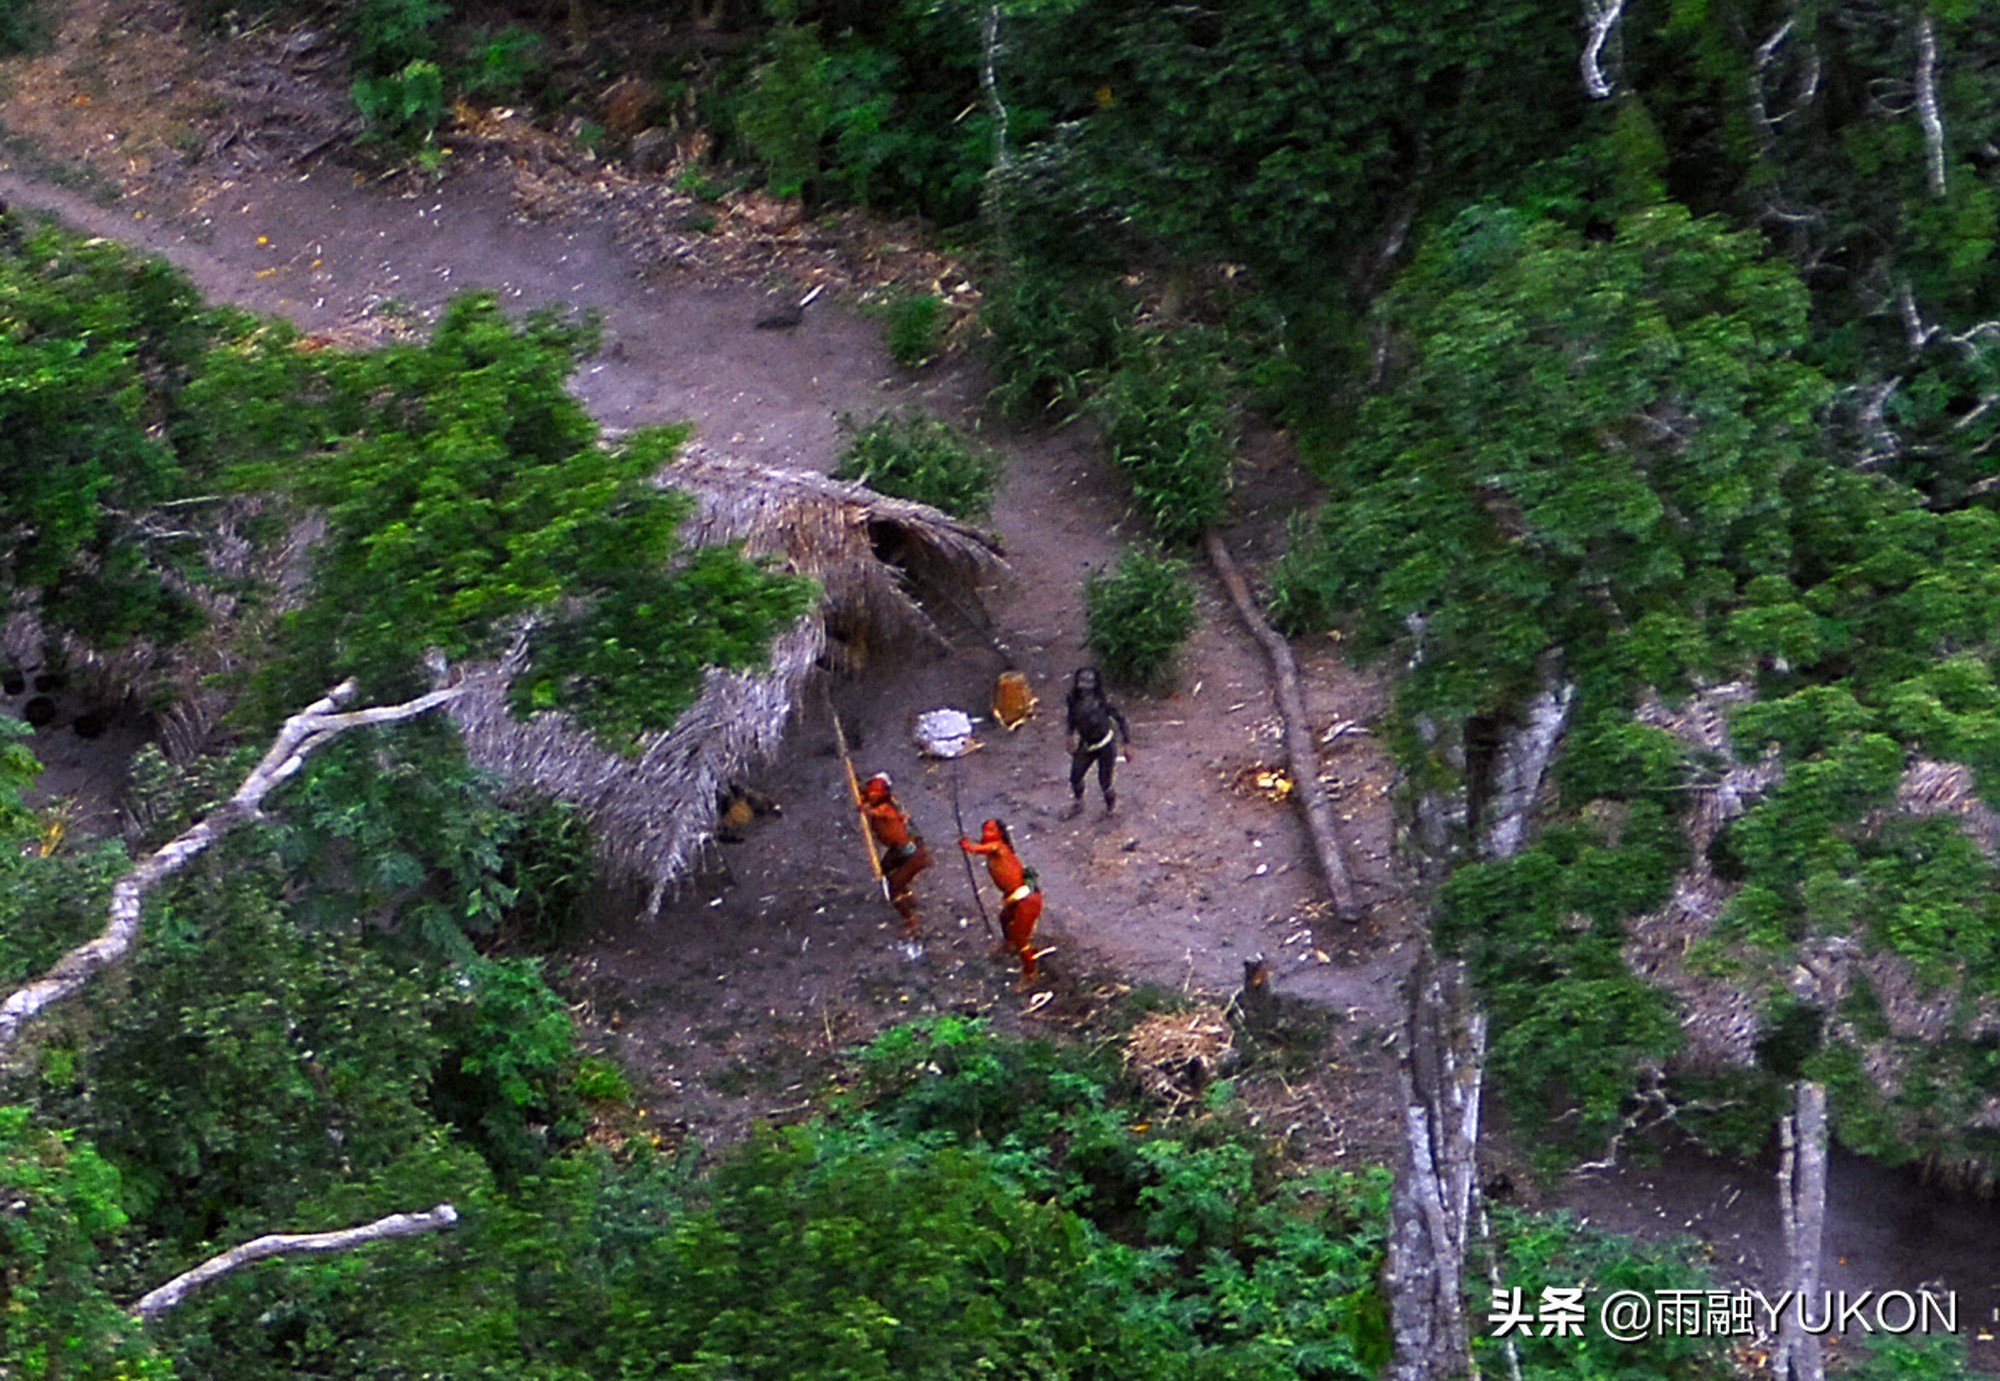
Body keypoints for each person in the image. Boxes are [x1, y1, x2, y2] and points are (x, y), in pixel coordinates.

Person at [960, 818, 1045, 982]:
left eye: (991, 830)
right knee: (1005, 919)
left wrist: (968, 846)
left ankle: (1030, 973)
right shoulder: (993, 849)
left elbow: (979, 849)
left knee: (1022, 939)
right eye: (985, 830)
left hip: (1026, 898)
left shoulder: (998, 847)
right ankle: (1009, 944)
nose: (986, 834)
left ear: (1000, 833)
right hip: (1013, 897)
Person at [859, 773, 928, 934]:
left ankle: (911, 920)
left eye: (877, 791)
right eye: (871, 790)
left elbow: (876, 812)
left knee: (893, 888)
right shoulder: (879, 801)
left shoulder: (888, 808)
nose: (872, 794)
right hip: (899, 849)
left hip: (910, 851)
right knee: (885, 871)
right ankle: (907, 894)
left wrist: (865, 809)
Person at [1065, 666, 1133, 817]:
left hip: (1105, 745)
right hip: (1086, 743)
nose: (1085, 689)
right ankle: (1078, 802)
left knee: (1105, 781)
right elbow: (1071, 718)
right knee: (1075, 776)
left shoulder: (1103, 702)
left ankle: (1111, 809)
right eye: (1082, 683)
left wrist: (1126, 743)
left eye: (1088, 684)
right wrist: (1069, 736)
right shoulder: (1072, 699)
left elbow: (1121, 719)